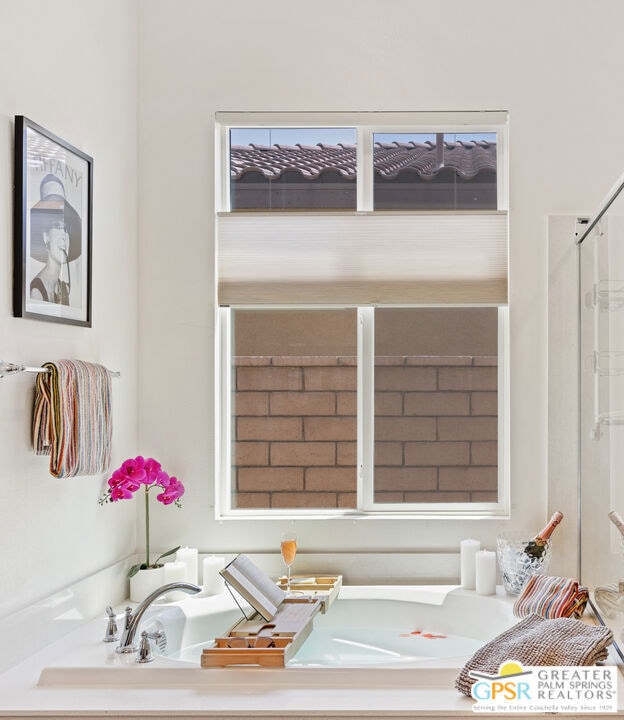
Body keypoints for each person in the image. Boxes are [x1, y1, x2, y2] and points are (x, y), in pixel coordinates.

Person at [29, 173, 81, 305]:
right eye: (57, 227)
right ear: (46, 236)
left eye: (66, 228)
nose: (64, 235)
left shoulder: (64, 288)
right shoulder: (36, 292)